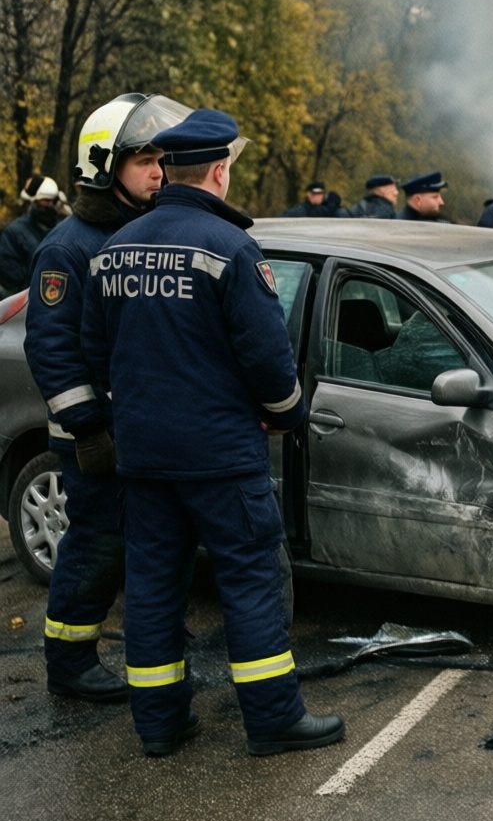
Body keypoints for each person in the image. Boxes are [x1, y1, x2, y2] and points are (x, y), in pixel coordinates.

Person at [82, 108, 344, 759]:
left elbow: (94, 353)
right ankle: (273, 719)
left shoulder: (113, 250)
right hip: (220, 454)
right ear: (221, 171)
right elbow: (268, 359)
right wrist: (286, 415)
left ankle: (161, 725)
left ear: (169, 170)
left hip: (143, 455)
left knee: (151, 586)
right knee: (250, 580)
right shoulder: (230, 249)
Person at [25, 94, 192, 702]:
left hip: (144, 428)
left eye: (163, 159)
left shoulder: (143, 234)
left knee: (148, 544)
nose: (158, 170)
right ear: (104, 165)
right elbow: (53, 353)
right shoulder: (67, 249)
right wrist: (89, 431)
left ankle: (157, 650)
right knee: (97, 545)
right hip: (93, 438)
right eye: (145, 159)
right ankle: (67, 660)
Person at [0, 175, 64, 295]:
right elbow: (9, 272)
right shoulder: (14, 232)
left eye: (53, 200)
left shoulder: (63, 229)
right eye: (45, 200)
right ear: (34, 201)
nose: (50, 204)